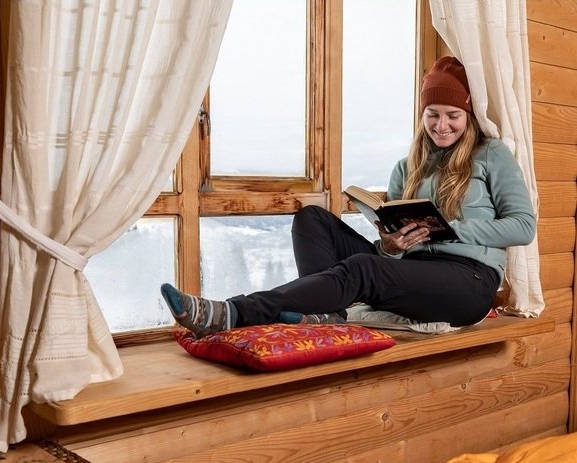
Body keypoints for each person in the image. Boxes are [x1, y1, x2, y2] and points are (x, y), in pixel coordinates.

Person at [161, 56, 536, 339]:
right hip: (414, 272)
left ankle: (235, 312)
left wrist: (452, 229)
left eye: (452, 115)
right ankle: (327, 312)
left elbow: (523, 226)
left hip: (468, 282)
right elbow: (394, 253)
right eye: (432, 114)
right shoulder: (407, 167)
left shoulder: (491, 154)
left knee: (363, 268)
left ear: (468, 114)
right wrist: (391, 246)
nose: (441, 125)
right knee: (312, 219)